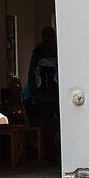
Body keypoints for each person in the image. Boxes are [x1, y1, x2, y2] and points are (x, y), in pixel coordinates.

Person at [26, 26, 60, 161]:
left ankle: (48, 156)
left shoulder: (38, 51)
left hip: (42, 96)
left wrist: (33, 95)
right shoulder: (59, 48)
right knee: (62, 124)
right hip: (58, 95)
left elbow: (31, 75)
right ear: (54, 36)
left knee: (46, 128)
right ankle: (63, 153)